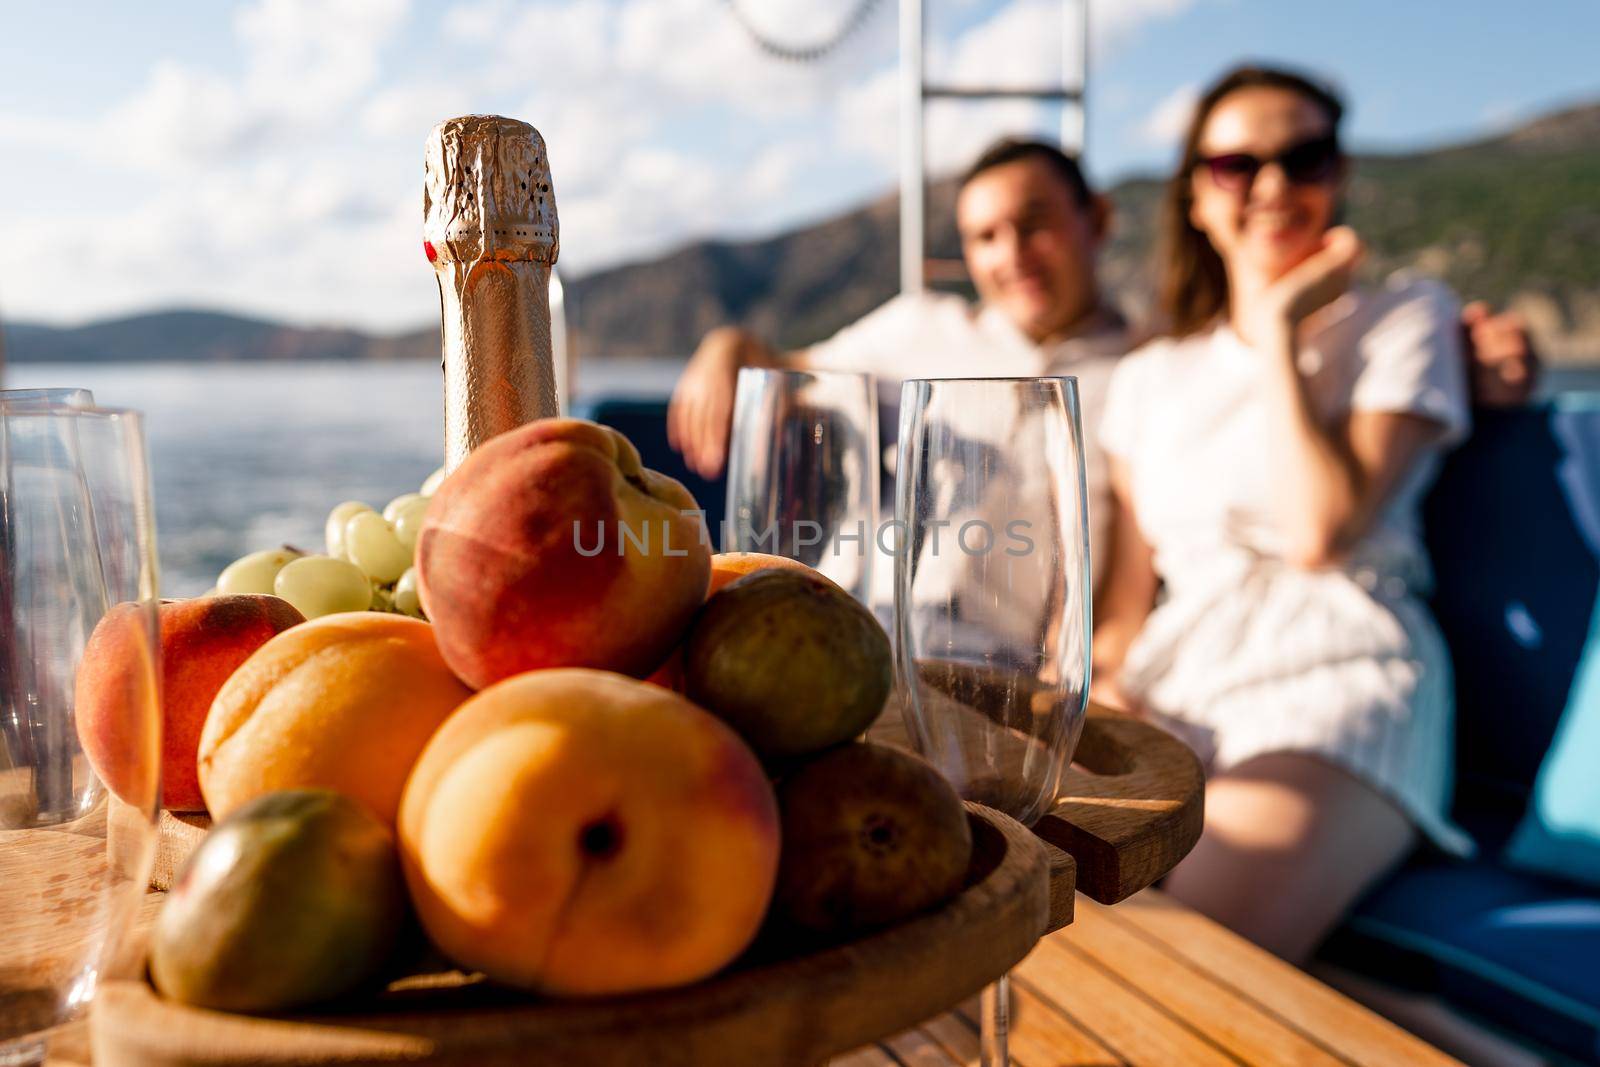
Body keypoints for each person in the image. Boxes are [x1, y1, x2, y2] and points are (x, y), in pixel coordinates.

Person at [667, 138, 1537, 594]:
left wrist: (1475, 363)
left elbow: (1318, 372)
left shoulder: (1162, 363)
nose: (1013, 253)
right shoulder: (914, 329)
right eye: (985, 236)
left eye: (1037, 221)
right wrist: (724, 347)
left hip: (1047, 682)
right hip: (883, 648)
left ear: (1098, 221)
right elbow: (775, 364)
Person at [1091, 64, 1479, 965]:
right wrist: (1104, 699)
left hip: (1336, 666)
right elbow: (1124, 604)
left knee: (1187, 958)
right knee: (1028, 898)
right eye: (1237, 165)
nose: (1272, 186)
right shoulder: (1150, 379)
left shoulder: (1403, 317)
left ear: (1336, 176)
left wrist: (1276, 332)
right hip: (1179, 679)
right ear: (1195, 195)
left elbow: (1319, 531)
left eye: (1303, 158)